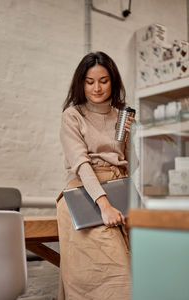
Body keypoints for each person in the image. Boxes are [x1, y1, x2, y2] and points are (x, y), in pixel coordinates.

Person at [56, 51, 135, 300]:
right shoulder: (73, 115)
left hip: (121, 190)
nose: (97, 88)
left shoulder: (122, 117)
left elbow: (132, 165)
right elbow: (81, 164)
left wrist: (135, 137)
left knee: (140, 268)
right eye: (89, 81)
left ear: (113, 82)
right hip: (87, 195)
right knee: (117, 278)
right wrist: (104, 205)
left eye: (103, 80)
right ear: (81, 83)